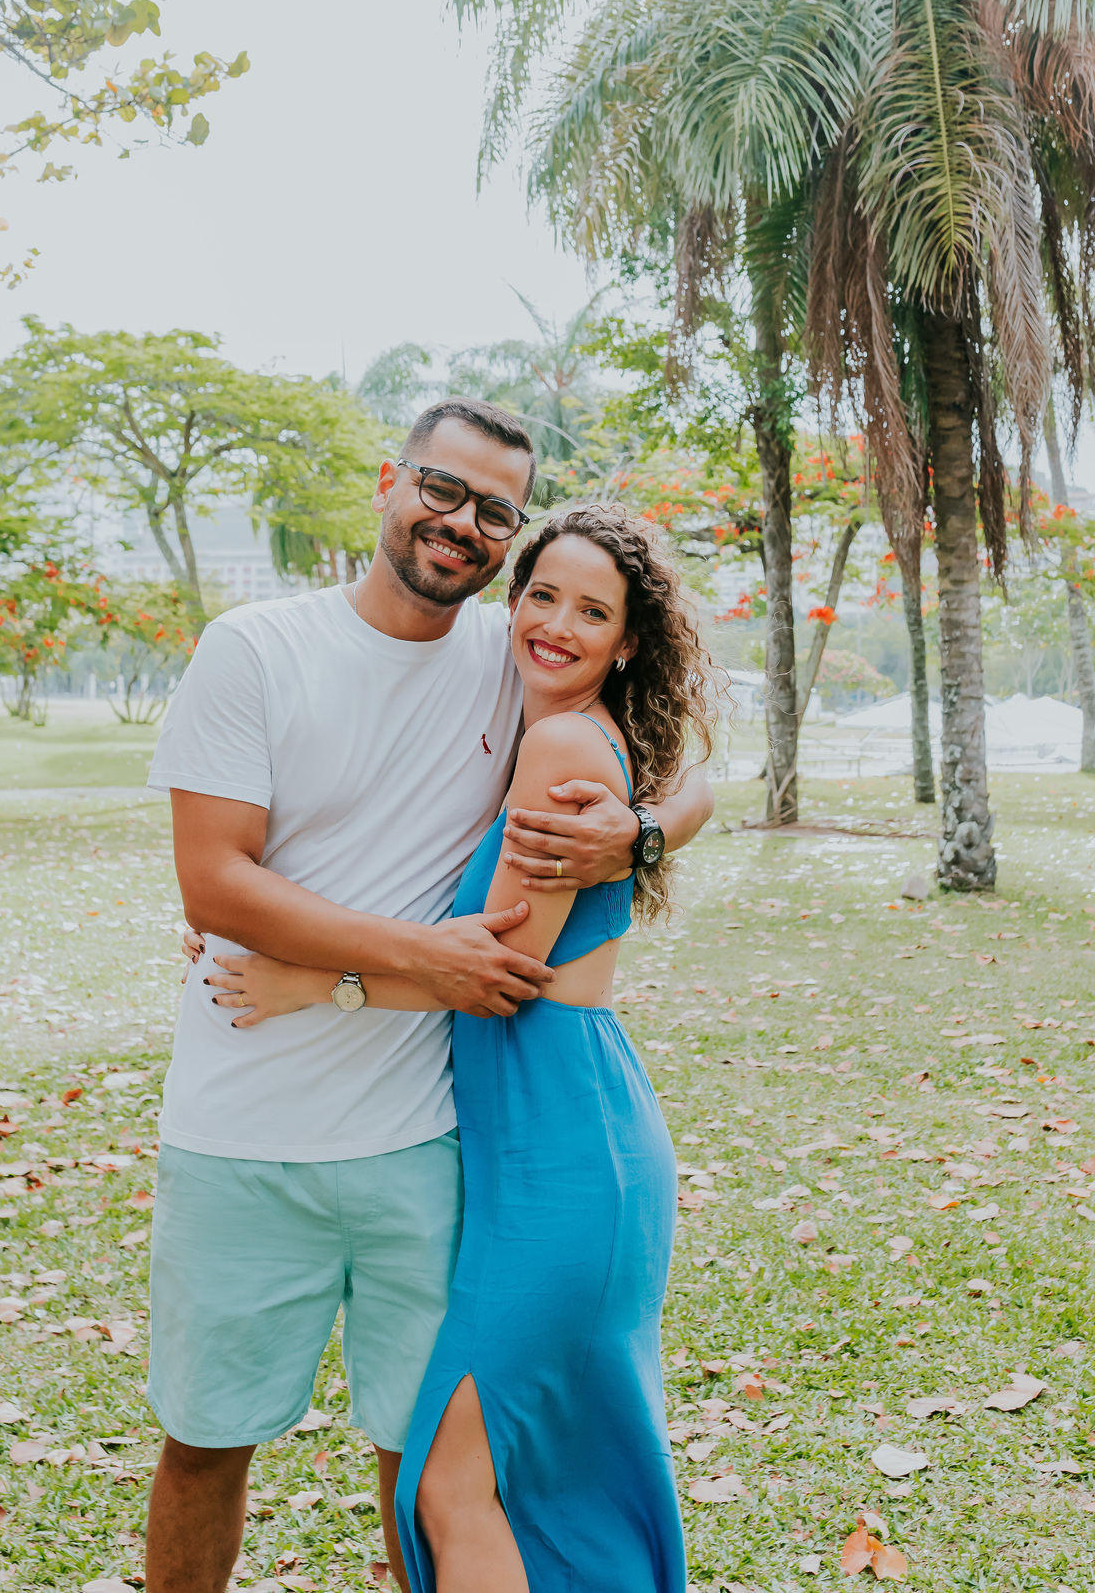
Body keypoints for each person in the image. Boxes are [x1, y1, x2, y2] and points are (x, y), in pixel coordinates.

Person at [142, 399, 714, 1593]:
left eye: (493, 509)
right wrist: (409, 958)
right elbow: (214, 882)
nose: (461, 522)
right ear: (389, 483)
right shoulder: (261, 648)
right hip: (244, 1130)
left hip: (434, 1139)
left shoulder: (517, 671)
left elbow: (680, 752)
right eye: (441, 490)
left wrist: (646, 831)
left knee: (434, 1473)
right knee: (207, 1442)